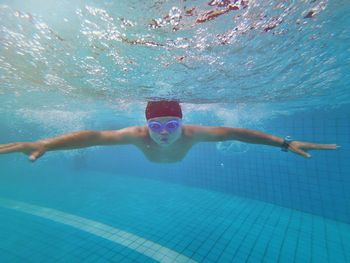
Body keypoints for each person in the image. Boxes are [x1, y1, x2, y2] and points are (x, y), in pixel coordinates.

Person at [0, 100, 339, 163]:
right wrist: (45, 143)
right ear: (146, 126)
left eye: (171, 125)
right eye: (156, 126)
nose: (163, 132)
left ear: (183, 123)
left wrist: (285, 142)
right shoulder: (137, 135)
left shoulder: (195, 134)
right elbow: (94, 136)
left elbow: (236, 133)